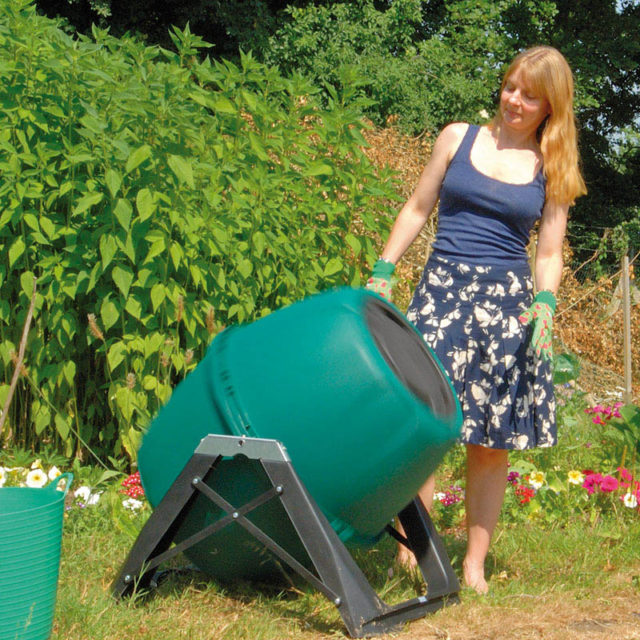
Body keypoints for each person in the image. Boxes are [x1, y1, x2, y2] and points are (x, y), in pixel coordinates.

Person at [366, 45, 587, 594]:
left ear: (550, 106)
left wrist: (546, 302)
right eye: (511, 86)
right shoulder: (456, 138)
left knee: (490, 443)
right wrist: (383, 269)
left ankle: (473, 566)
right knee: (426, 428)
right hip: (440, 296)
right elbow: (418, 207)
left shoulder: (550, 165)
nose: (514, 100)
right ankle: (413, 550)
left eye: (530, 95)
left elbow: (550, 252)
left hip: (506, 310)